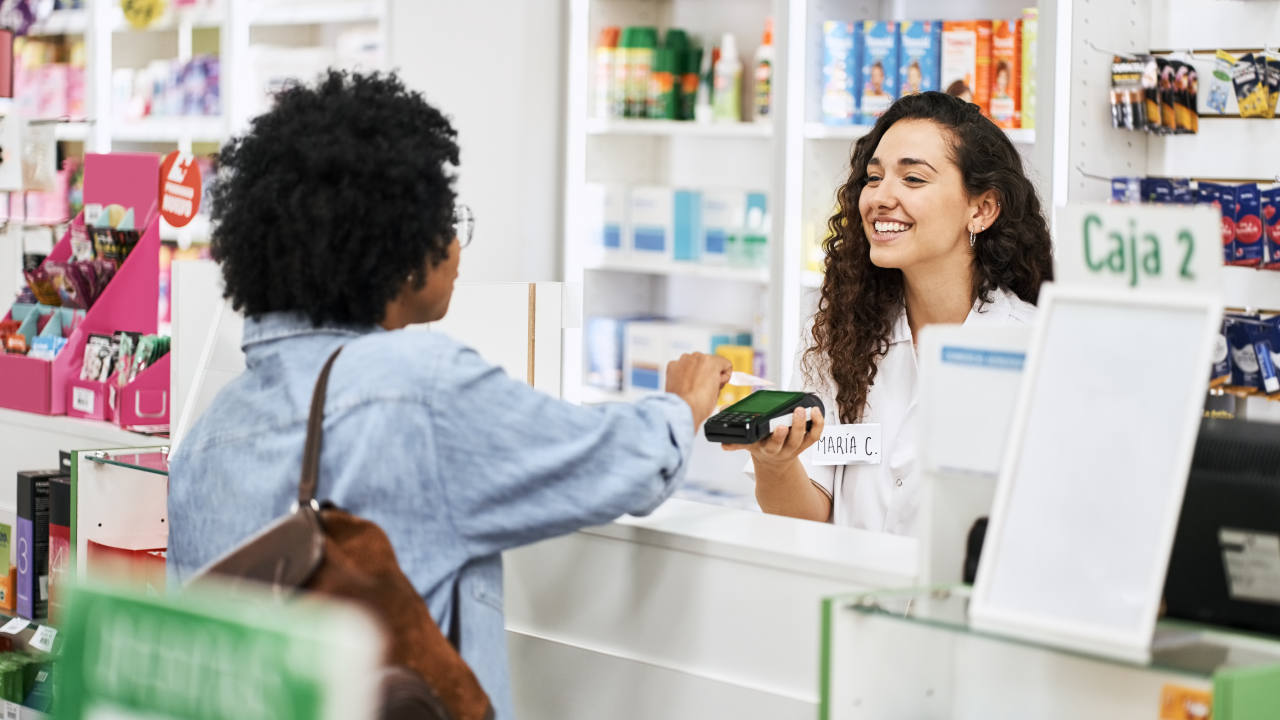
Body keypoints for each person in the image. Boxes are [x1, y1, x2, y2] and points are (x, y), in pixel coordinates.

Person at [166, 71, 731, 720]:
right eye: (445, 218)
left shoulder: (205, 436)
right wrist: (681, 408)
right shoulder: (417, 385)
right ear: (398, 243)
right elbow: (614, 463)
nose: (458, 245)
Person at [727, 92, 1052, 534]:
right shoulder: (840, 332)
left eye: (913, 179)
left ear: (982, 209)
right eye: (873, 177)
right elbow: (807, 517)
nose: (880, 196)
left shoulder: (1036, 350)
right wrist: (773, 462)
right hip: (849, 596)